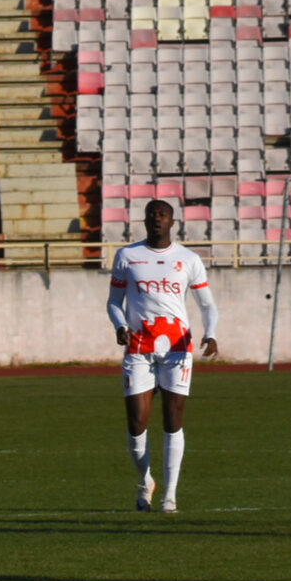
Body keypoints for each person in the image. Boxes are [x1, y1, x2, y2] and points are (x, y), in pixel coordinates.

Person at [106, 200, 218, 514]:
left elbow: (207, 304)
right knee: (136, 423)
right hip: (139, 347)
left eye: (163, 214)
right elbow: (114, 301)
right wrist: (120, 325)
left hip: (177, 348)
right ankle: (145, 481)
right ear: (145, 221)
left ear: (172, 221)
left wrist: (211, 332)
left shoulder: (188, 259)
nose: (157, 218)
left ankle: (170, 495)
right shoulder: (127, 256)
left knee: (172, 421)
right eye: (152, 214)